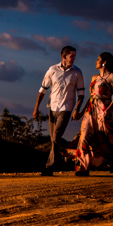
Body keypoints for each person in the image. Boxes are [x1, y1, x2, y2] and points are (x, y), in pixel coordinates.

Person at [67, 52, 113, 176]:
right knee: (85, 136)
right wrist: (81, 112)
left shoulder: (112, 77)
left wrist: (107, 110)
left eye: (98, 59)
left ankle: (110, 159)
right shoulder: (94, 78)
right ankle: (82, 167)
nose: (96, 62)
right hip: (91, 110)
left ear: (104, 62)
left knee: (106, 137)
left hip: (105, 110)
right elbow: (91, 97)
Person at [34, 46, 84, 176]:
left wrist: (77, 109)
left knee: (56, 137)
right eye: (71, 56)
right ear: (64, 57)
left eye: (74, 56)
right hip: (53, 108)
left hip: (66, 109)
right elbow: (43, 89)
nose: (74, 58)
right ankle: (66, 154)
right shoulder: (52, 70)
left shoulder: (77, 72)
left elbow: (81, 94)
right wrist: (36, 108)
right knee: (54, 139)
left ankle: (49, 167)